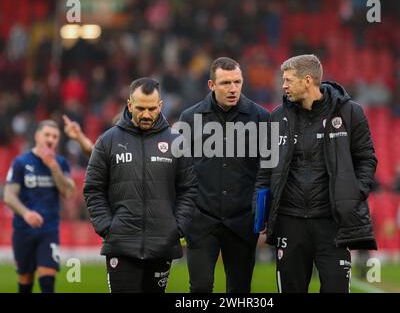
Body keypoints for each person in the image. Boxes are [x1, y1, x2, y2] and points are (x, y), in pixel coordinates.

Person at [255, 54, 378, 293]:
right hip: (290, 222)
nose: (283, 86)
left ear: (307, 80)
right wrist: (261, 211)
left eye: (289, 80)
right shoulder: (277, 117)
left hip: (332, 223)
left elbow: (367, 159)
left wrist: (355, 193)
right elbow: (265, 169)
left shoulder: (350, 113)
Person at [83, 77, 197, 293]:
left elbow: (188, 190)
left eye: (152, 108)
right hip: (121, 245)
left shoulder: (176, 142)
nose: (146, 114)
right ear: (129, 105)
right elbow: (93, 189)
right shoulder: (107, 141)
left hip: (162, 244)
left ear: (161, 106)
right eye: (140, 108)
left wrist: (176, 227)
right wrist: (107, 227)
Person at [179, 57, 270, 293]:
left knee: (239, 290)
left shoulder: (261, 118)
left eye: (237, 82)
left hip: (242, 222)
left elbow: (267, 170)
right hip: (201, 221)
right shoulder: (190, 119)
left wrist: (263, 214)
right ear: (211, 85)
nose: (233, 89)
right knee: (200, 288)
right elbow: (181, 171)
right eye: (226, 83)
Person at [3, 120, 76, 293]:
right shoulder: (21, 162)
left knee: (47, 281)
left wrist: (53, 167)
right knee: (25, 281)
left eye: (55, 136)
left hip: (49, 230)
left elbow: (69, 192)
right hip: (23, 230)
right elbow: (9, 196)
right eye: (47, 135)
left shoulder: (61, 163)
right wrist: (26, 213)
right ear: (37, 136)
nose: (51, 139)